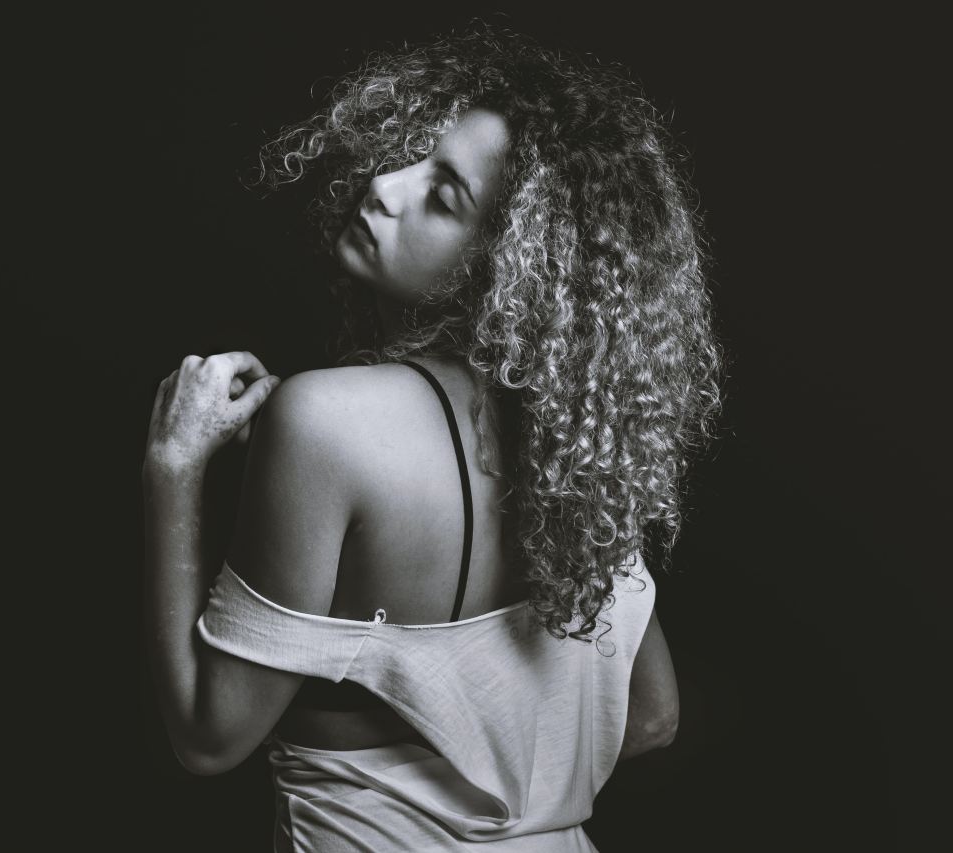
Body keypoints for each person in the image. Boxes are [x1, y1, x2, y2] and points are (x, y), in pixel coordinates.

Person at [142, 20, 724, 851]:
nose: (384, 185)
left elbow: (208, 735)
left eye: (442, 195)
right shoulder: (574, 450)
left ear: (509, 267)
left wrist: (173, 468)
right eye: (414, 156)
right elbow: (652, 717)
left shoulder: (327, 419)